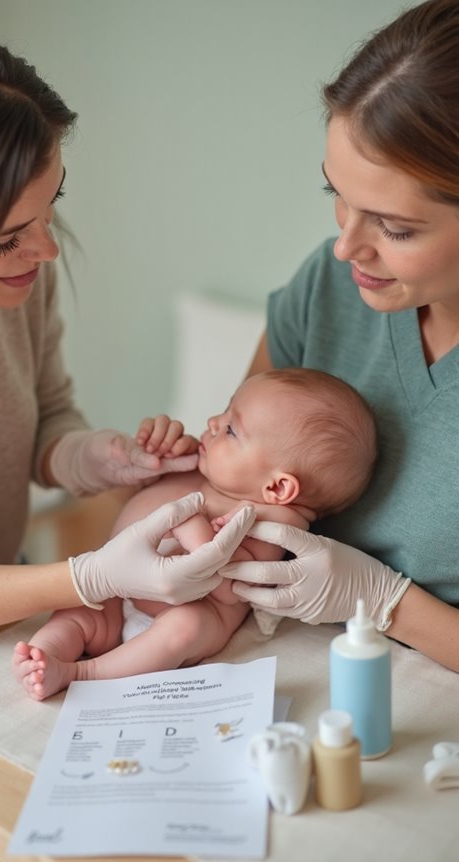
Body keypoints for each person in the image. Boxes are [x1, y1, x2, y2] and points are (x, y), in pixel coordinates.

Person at [0, 20, 256, 656]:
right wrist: (90, 577)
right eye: (7, 238)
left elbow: (46, 416)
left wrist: (101, 459)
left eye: (52, 205)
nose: (47, 250)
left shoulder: (13, 285)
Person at [222, 0, 459, 674]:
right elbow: (235, 471)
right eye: (336, 196)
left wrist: (386, 602)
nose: (345, 249)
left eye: (394, 227)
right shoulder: (326, 293)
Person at [13, 368, 377, 699]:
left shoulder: (276, 523)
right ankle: (44, 657)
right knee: (80, 605)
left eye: (232, 430)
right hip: (119, 593)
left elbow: (227, 578)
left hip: (182, 615)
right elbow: (138, 493)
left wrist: (190, 525)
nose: (213, 422)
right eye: (225, 410)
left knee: (184, 629)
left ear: (278, 488)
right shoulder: (207, 471)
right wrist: (159, 457)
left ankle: (84, 673)